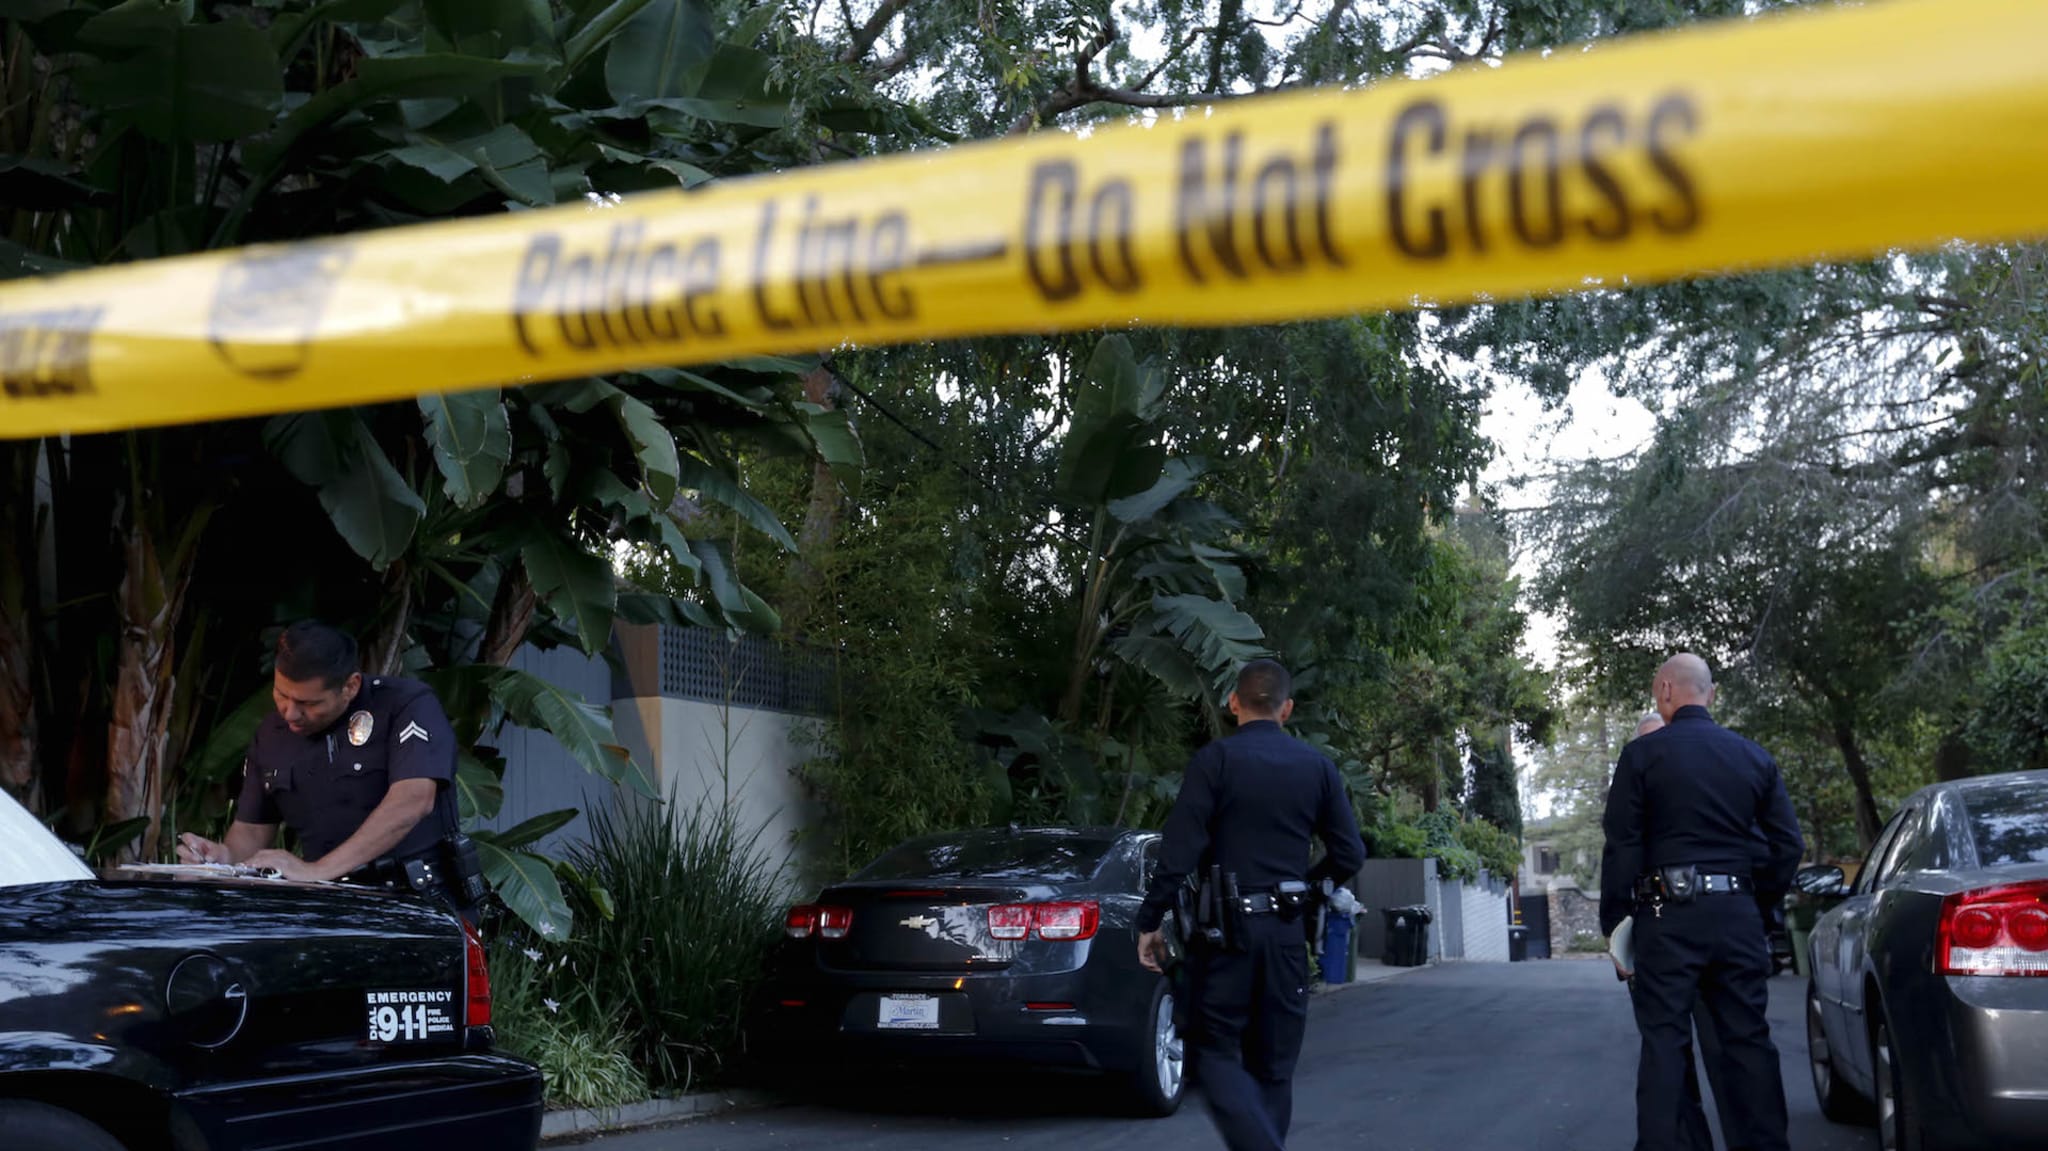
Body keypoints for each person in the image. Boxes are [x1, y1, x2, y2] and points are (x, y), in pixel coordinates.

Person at [1135, 659, 1367, 1151]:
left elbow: (1179, 851)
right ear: (1287, 708)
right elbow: (1349, 853)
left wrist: (1149, 919)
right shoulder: (1318, 768)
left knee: (1214, 1053)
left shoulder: (1214, 762)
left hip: (1225, 938)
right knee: (1275, 1069)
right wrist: (1305, 886)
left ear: (1234, 703)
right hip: (1285, 935)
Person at [1601, 654, 1803, 1151]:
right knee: (1747, 1043)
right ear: (1710, 694)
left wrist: (1618, 926)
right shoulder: (1753, 757)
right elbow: (1787, 845)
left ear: (1666, 690)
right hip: (1736, 915)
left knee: (1666, 1043)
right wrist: (1759, 905)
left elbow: (1622, 846)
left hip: (1666, 917)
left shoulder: (1642, 757)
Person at [176, 620, 479, 920]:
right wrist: (221, 859)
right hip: (331, 913)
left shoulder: (404, 704)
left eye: (308, 702)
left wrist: (317, 871)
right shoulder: (271, 734)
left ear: (350, 686)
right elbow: (253, 829)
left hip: (420, 906)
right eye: (282, 695)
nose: (290, 712)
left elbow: (413, 799)